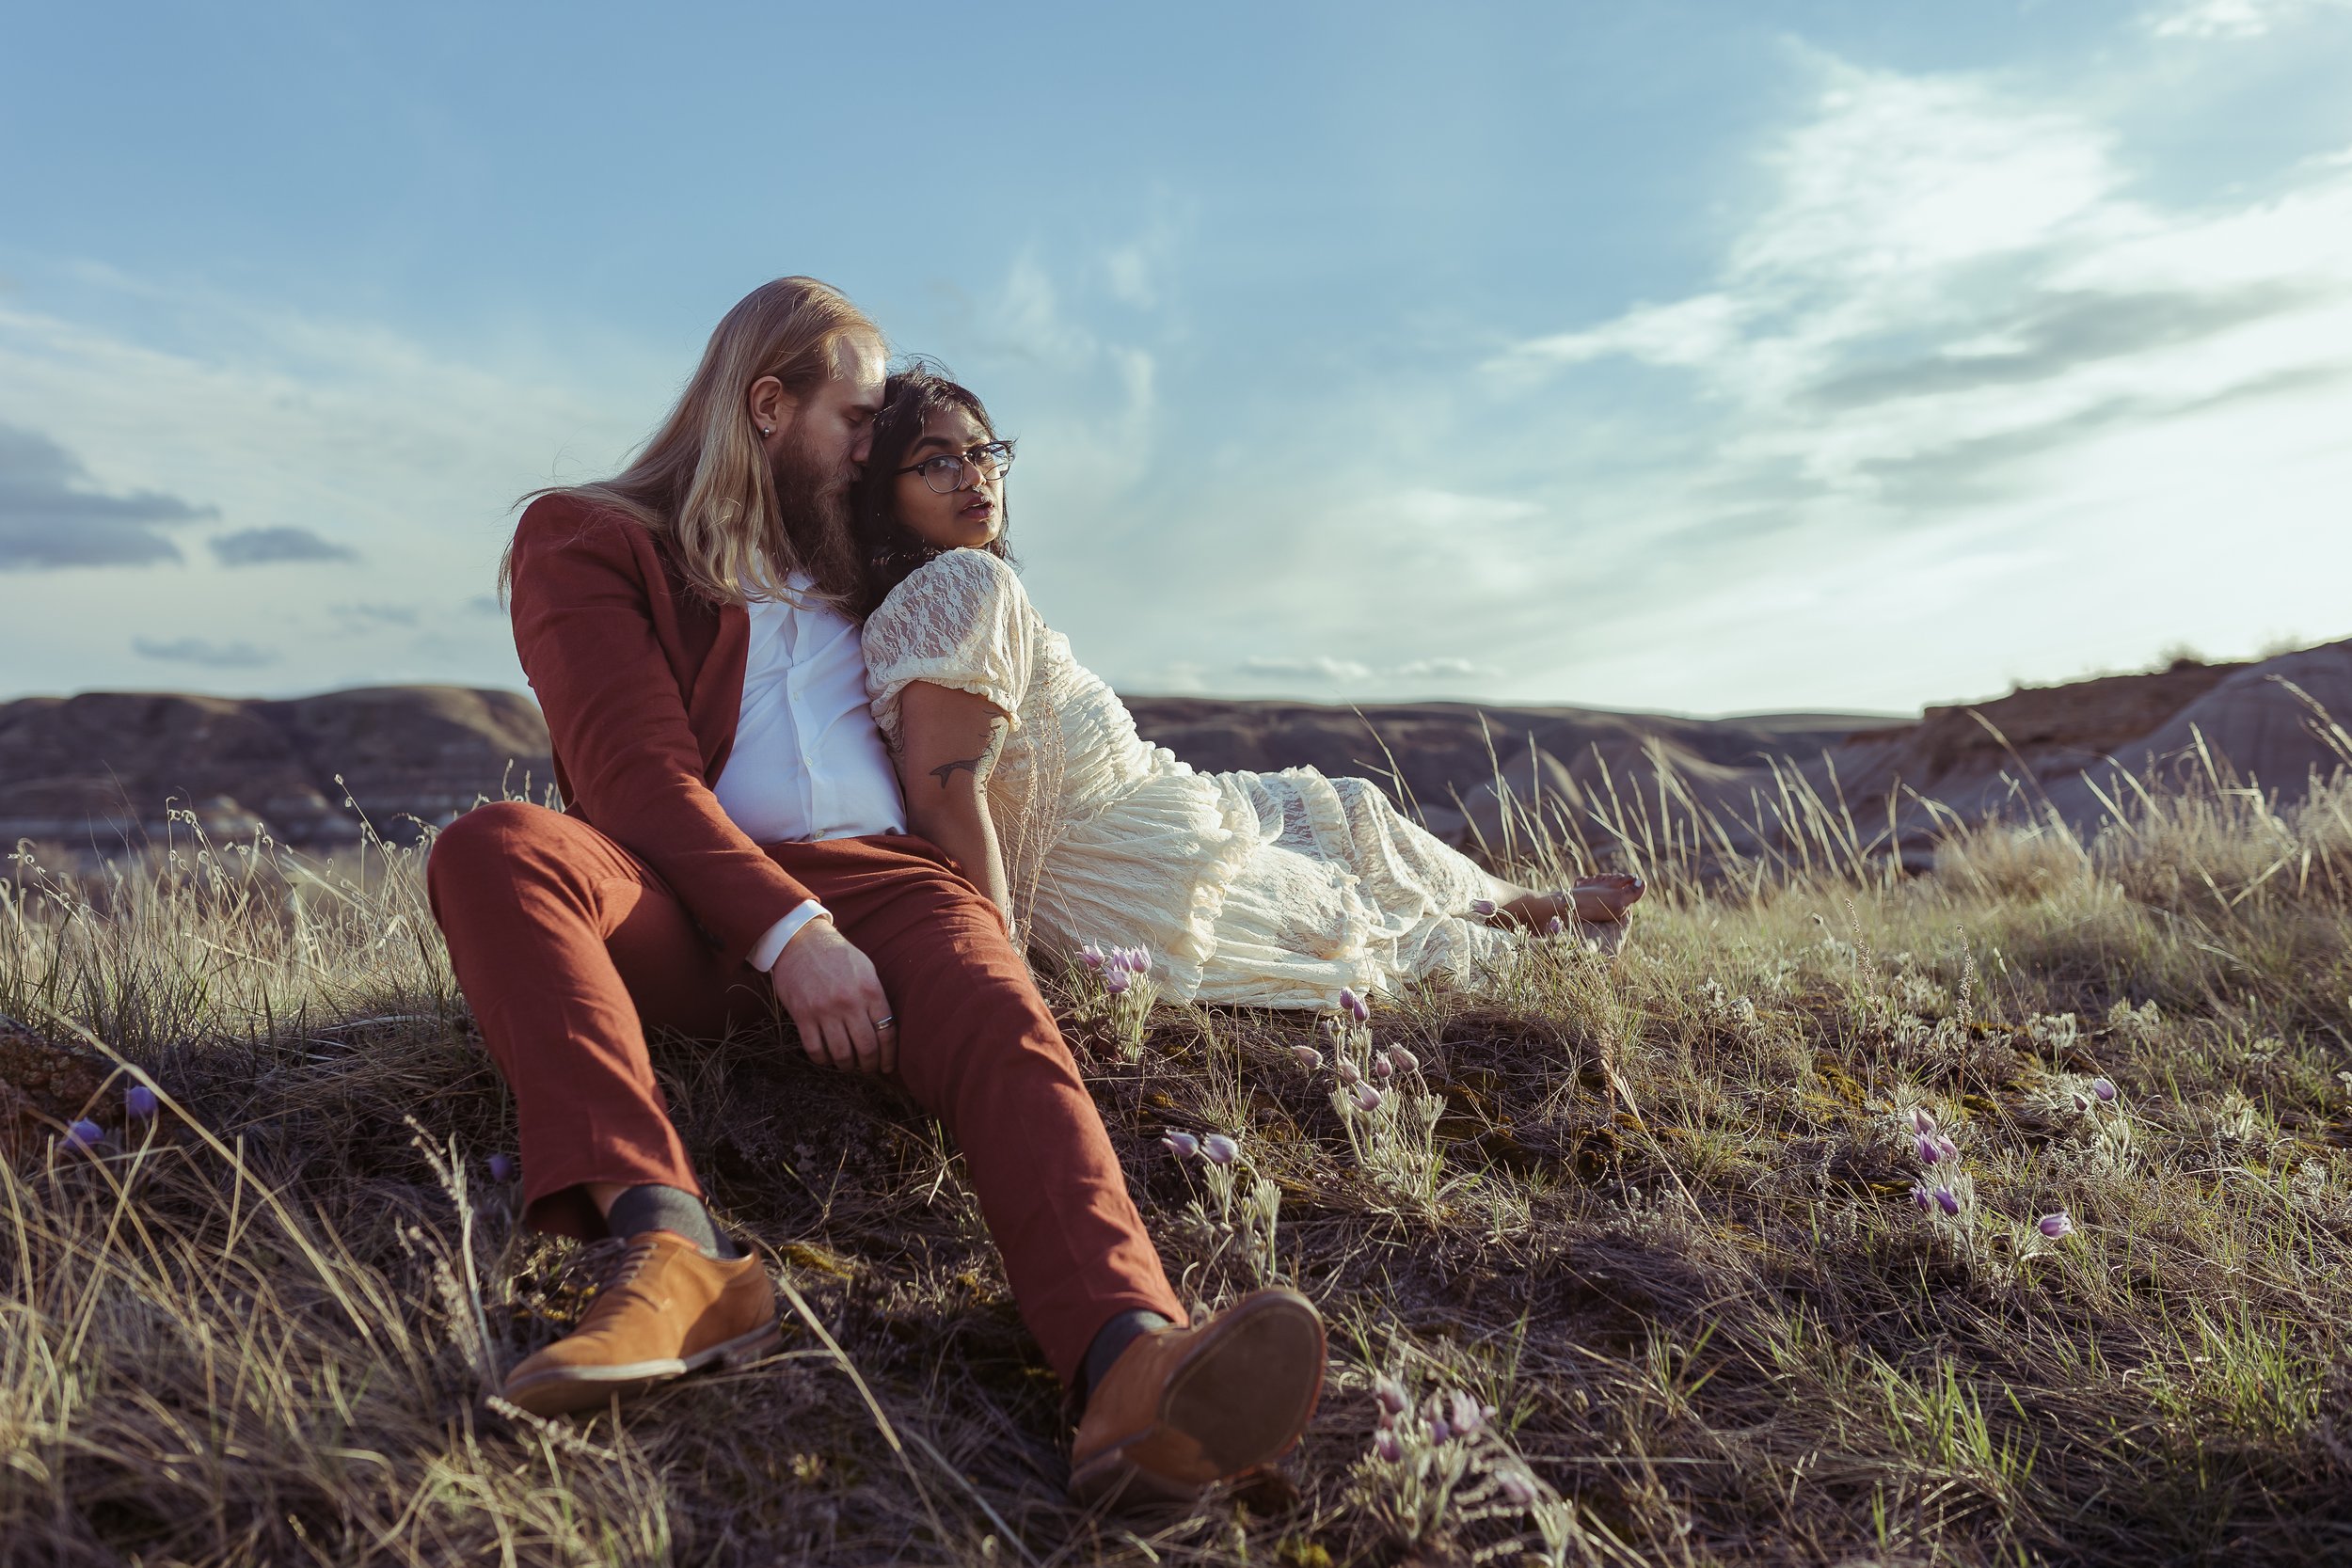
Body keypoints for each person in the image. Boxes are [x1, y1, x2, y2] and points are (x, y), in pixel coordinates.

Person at [424, 278, 1326, 1508]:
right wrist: (790, 933)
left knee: (1000, 1010)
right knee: (496, 845)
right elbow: (635, 780)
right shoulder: (593, 539)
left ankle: (1130, 1364)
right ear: (766, 404)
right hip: (681, 902)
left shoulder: (879, 574)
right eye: (858, 418)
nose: (877, 441)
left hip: (890, 893)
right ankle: (669, 1247)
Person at [851, 368, 1645, 1009]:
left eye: (983, 452)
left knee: (1348, 809)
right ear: (884, 493)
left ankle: (1528, 904)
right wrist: (1004, 978)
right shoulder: (962, 584)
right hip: (1131, 872)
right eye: (938, 461)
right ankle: (1537, 928)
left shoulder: (935, 596)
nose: (974, 476)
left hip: (1150, 820)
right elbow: (948, 797)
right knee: (1366, 922)